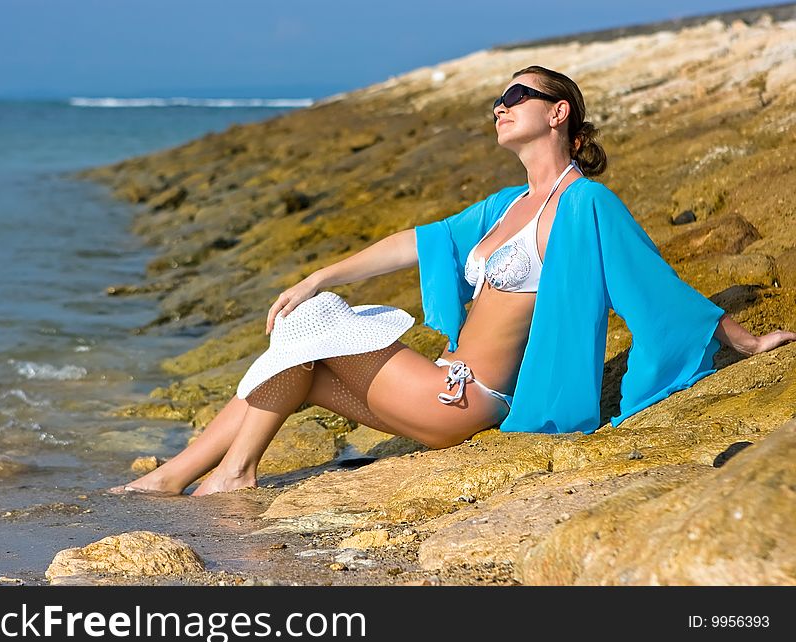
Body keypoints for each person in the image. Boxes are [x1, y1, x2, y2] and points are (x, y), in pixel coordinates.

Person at [110, 65, 795, 497]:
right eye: (497, 99)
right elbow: (419, 242)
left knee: (313, 326)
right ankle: (204, 474)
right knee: (305, 368)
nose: (501, 105)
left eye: (518, 95)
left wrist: (745, 341)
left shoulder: (584, 204)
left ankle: (212, 474)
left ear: (559, 114)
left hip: (468, 400)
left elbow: (658, 287)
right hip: (440, 381)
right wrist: (320, 271)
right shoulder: (503, 207)